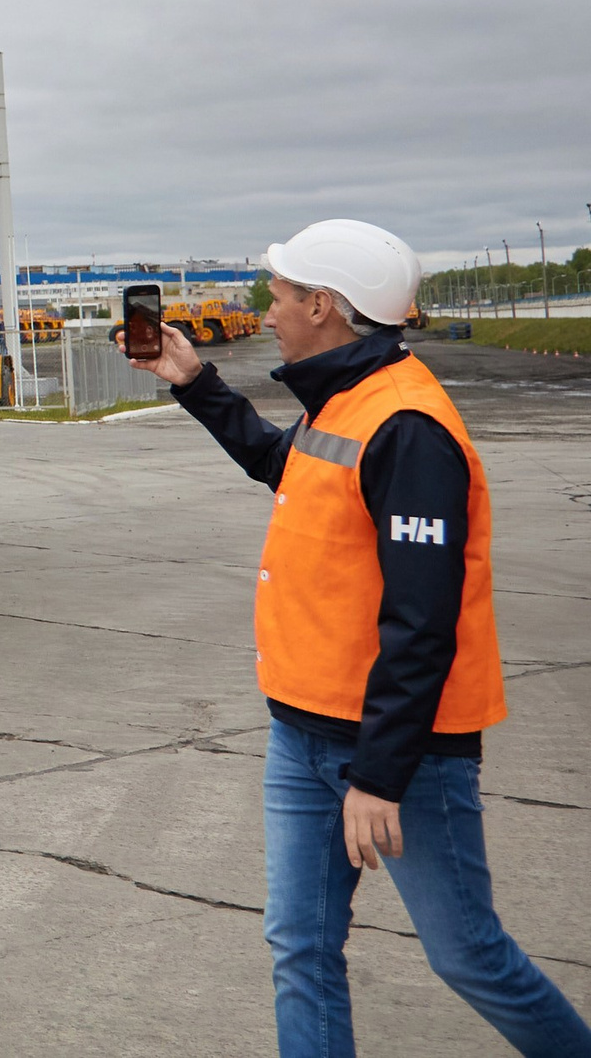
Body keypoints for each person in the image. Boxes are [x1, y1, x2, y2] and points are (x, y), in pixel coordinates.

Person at [133, 218, 590, 1058]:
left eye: (278, 296)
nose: (267, 313)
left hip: (400, 751)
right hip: (302, 730)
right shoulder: (345, 397)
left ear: (324, 305)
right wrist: (194, 382)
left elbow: (424, 622)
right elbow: (289, 467)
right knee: (301, 949)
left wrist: (378, 775)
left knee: (468, 956)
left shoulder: (409, 425)